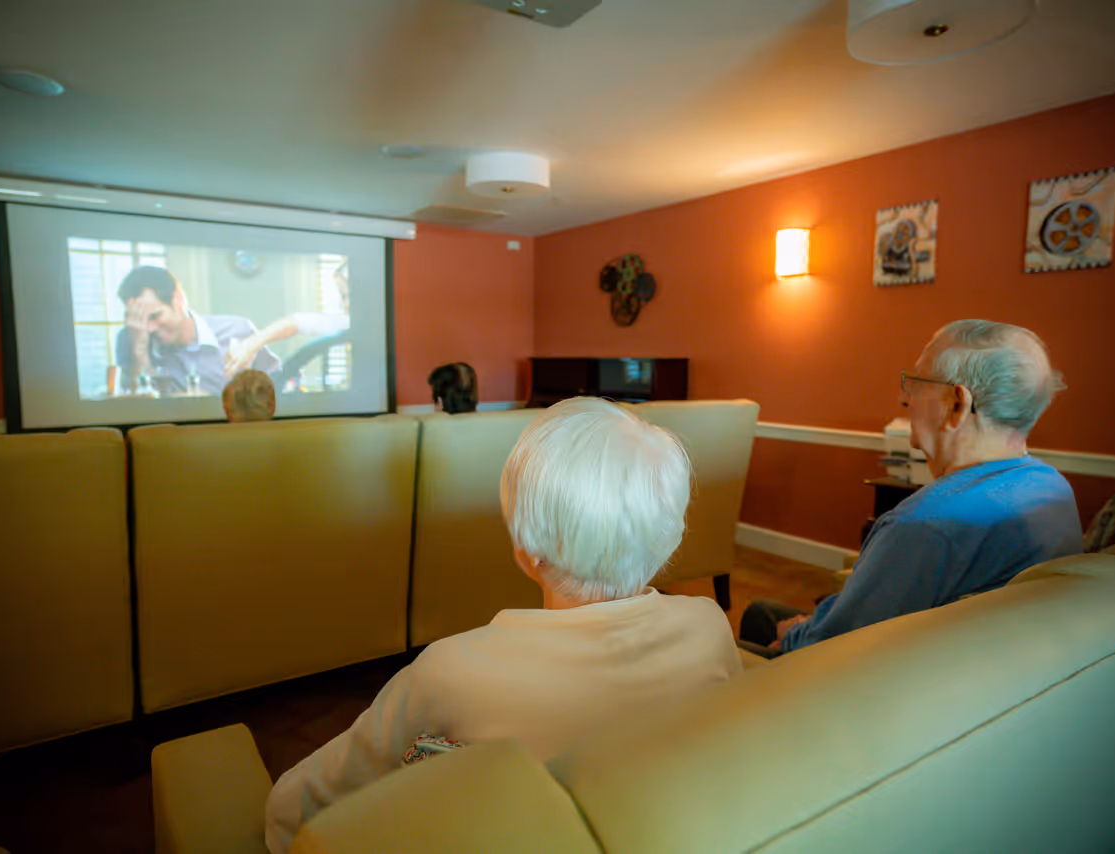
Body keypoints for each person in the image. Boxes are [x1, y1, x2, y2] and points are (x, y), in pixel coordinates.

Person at [264, 398, 742, 852]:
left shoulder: (450, 673)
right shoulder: (710, 625)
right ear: (669, 531)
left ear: (526, 549)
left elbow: (307, 801)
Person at [741, 319, 1083, 657]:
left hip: (862, 684)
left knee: (753, 625)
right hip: (975, 667)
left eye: (916, 382)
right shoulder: (1054, 488)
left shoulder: (924, 526)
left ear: (957, 405)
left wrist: (793, 636)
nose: (904, 397)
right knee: (763, 612)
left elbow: (836, 646)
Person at [114, 266, 279, 396]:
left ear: (178, 299)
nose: (149, 329)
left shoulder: (237, 330)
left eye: (155, 316)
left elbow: (281, 386)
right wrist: (138, 351)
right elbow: (136, 408)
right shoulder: (131, 338)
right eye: (139, 320)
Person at [222, 262, 350, 377]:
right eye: (342, 295)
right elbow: (297, 322)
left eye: (345, 295)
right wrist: (249, 345)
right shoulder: (346, 324)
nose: (342, 305)